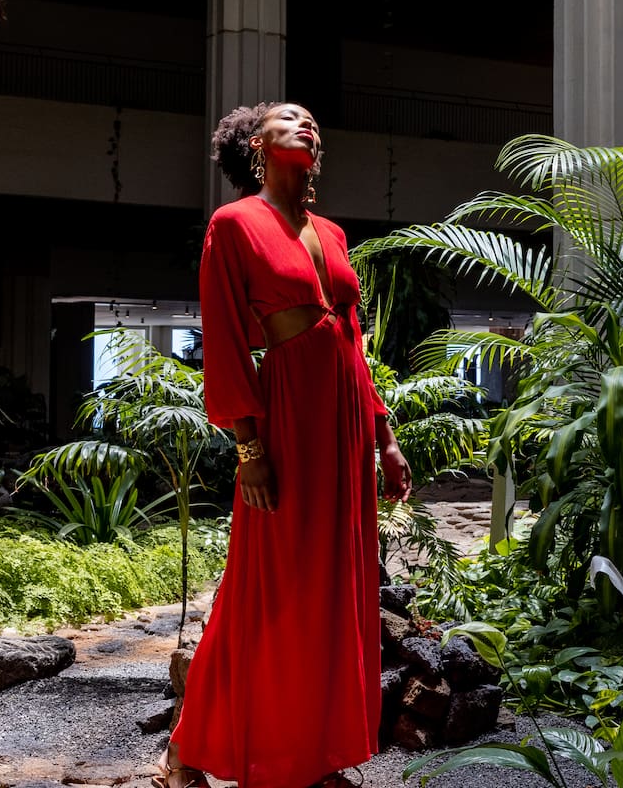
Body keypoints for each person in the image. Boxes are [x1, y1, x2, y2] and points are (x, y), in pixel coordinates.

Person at [160, 102, 413, 788]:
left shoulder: (332, 233)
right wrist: (249, 448)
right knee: (265, 591)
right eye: (288, 119)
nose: (308, 125)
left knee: (333, 590)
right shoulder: (233, 224)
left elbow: (354, 344)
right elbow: (222, 336)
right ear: (256, 147)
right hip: (288, 414)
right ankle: (187, 751)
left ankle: (310, 755)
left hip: (342, 421)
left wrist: (384, 436)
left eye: (312, 122)